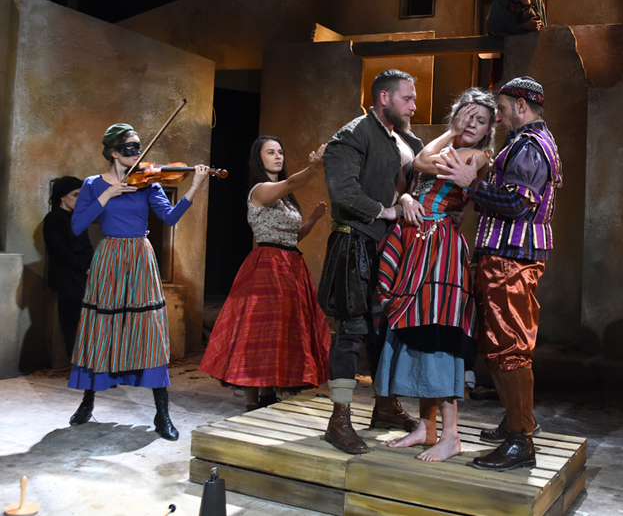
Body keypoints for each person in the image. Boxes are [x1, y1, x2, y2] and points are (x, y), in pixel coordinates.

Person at [437, 76, 562, 471]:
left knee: (508, 346)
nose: (499, 118)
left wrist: (471, 185)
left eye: (503, 109)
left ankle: (521, 440)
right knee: (499, 343)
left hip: (511, 258)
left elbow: (516, 204)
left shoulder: (529, 146)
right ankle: (515, 421)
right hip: (506, 256)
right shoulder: (529, 142)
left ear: (521, 107)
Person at [374, 88, 496, 462]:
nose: (471, 125)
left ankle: (451, 435)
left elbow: (422, 162)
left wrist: (451, 131)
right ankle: (426, 428)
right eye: (466, 116)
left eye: (480, 121)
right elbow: (407, 181)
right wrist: (407, 199)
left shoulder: (477, 156)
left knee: (439, 333)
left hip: (440, 248)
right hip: (416, 244)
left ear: (488, 130)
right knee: (418, 331)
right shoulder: (449, 148)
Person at [68, 123, 210, 440]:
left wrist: (195, 185)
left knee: (148, 331)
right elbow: (77, 226)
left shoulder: (148, 183)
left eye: (138, 146)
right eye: (129, 147)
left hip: (140, 257)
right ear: (113, 152)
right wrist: (107, 194)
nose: (137, 153)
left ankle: (162, 414)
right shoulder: (93, 184)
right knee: (101, 327)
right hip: (109, 257)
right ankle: (88, 402)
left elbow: (170, 217)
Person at [317, 68, 424, 455]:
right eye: (407, 98)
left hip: (391, 248)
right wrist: (386, 210)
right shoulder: (353, 135)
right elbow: (343, 191)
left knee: (386, 332)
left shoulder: (407, 139)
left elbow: (409, 182)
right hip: (355, 244)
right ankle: (339, 418)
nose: (413, 106)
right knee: (351, 332)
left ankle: (386, 407)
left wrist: (406, 199)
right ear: (384, 98)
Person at [199, 136, 331, 411]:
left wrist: (313, 220)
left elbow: (293, 236)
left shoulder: (286, 198)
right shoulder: (260, 190)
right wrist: (314, 167)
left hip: (291, 265)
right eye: (271, 152)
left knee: (280, 330)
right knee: (258, 330)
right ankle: (252, 400)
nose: (278, 156)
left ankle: (268, 393)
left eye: (280, 151)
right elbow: (292, 183)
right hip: (268, 265)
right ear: (259, 159)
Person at [43, 176, 95, 358]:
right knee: (72, 320)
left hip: (82, 274)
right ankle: (76, 362)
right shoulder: (54, 218)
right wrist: (83, 267)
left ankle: (87, 360)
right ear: (62, 197)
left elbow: (86, 245)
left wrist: (92, 267)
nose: (79, 199)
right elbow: (58, 249)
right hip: (67, 275)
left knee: (86, 319)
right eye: (75, 195)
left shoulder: (78, 217)